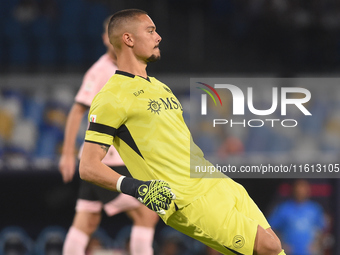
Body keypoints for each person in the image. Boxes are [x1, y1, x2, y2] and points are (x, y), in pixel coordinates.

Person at [79, 9, 285, 255]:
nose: (159, 37)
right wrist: (137, 188)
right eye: (151, 30)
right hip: (187, 199)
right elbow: (88, 166)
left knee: (276, 248)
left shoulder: (160, 86)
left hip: (219, 183)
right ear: (128, 39)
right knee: (268, 247)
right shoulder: (111, 97)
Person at [58, 16, 159, 255]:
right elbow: (76, 111)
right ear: (109, 39)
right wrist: (67, 153)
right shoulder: (101, 70)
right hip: (108, 159)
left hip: (104, 158)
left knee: (86, 221)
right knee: (147, 214)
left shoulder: (130, 70)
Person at [268, 180, 326, 255]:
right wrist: (280, 244)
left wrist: (317, 245)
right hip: (289, 252)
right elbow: (270, 229)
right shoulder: (283, 209)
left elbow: (322, 230)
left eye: (303, 187)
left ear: (308, 189)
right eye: (298, 187)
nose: (300, 190)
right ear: (293, 189)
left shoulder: (315, 209)